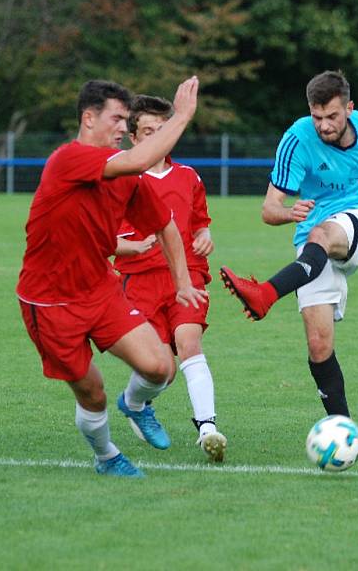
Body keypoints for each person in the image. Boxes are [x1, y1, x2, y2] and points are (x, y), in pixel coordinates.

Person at [17, 77, 207, 478]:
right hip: (51, 302)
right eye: (118, 119)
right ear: (89, 118)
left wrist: (181, 282)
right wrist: (183, 115)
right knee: (92, 392)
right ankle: (107, 457)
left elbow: (166, 226)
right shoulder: (69, 159)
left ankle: (135, 406)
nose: (124, 127)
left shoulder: (127, 177)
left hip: (100, 291)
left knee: (160, 368)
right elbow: (138, 160)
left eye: (126, 120)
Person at [219, 70, 358, 419]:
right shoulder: (297, 138)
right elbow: (268, 210)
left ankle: (265, 294)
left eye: (332, 116)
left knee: (320, 234)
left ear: (349, 108)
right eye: (317, 116)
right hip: (312, 242)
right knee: (319, 345)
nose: (323, 125)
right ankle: (341, 430)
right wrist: (289, 212)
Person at [113, 94, 226, 462]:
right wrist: (132, 246)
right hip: (140, 283)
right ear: (134, 138)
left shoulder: (189, 177)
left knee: (190, 341)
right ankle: (134, 403)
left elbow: (201, 224)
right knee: (161, 370)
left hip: (188, 276)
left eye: (163, 131)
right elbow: (102, 237)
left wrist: (205, 237)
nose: (156, 138)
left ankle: (207, 428)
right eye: (147, 132)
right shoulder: (121, 178)